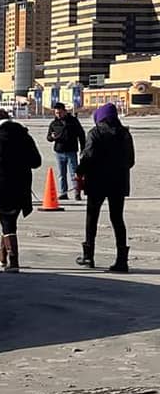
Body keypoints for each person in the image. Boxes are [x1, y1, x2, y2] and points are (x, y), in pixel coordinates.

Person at [0, 107, 42, 273]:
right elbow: (36, 161)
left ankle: (13, 260)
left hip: (2, 184)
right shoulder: (25, 136)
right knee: (9, 220)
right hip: (21, 183)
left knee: (7, 222)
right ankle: (2, 255)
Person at [75, 102, 135, 272]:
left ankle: (88, 256)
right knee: (117, 219)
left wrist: (80, 172)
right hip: (118, 182)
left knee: (92, 218)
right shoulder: (125, 134)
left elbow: (88, 157)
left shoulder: (95, 133)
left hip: (97, 182)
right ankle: (122, 260)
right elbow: (130, 161)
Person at [46, 101, 86, 201]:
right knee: (61, 174)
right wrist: (52, 137)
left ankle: (77, 193)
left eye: (60, 113)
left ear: (64, 111)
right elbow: (48, 137)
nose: (58, 115)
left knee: (74, 173)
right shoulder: (54, 123)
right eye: (56, 113)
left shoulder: (73, 121)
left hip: (71, 151)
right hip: (59, 152)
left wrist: (83, 149)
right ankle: (63, 193)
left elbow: (81, 135)